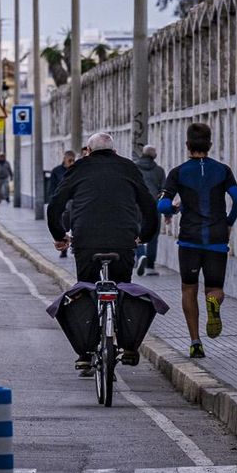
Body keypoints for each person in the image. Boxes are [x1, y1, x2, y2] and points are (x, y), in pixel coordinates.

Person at [46, 131, 159, 370]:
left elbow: (55, 203)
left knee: (86, 289)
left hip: (86, 242)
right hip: (123, 241)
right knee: (121, 289)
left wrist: (60, 236)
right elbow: (149, 205)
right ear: (114, 151)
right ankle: (128, 346)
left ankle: (85, 354)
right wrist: (144, 236)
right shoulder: (128, 167)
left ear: (88, 151)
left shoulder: (79, 168)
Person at [159, 122, 237, 359]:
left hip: (190, 240)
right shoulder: (223, 170)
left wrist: (174, 210)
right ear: (210, 144)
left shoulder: (178, 172)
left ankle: (195, 342)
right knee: (215, 288)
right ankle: (213, 303)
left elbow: (162, 204)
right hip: (216, 238)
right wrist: (228, 222)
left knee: (189, 287)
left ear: (187, 145)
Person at [133, 145, 167, 276]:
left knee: (136, 231)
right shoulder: (159, 171)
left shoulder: (134, 168)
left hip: (136, 204)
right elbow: (164, 191)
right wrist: (168, 213)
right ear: (155, 156)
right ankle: (150, 265)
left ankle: (141, 255)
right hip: (154, 205)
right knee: (153, 234)